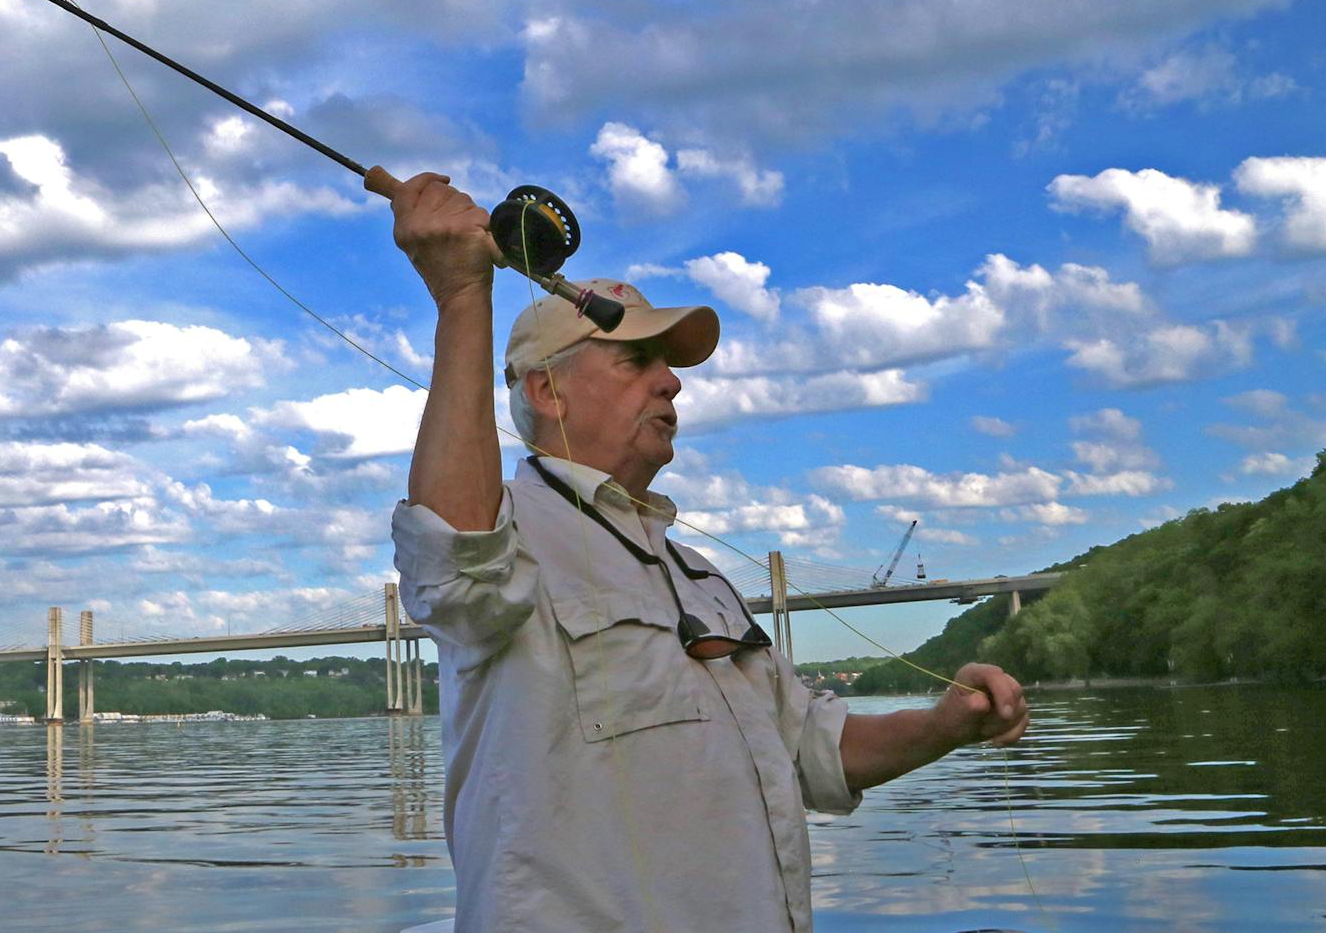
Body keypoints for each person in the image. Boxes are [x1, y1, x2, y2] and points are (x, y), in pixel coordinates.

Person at [386, 172, 1029, 933]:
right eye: (636, 360)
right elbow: (457, 563)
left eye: (670, 365)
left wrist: (947, 722)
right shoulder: (505, 529)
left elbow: (810, 748)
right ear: (548, 391)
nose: (671, 383)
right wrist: (464, 298)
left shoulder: (702, 583)